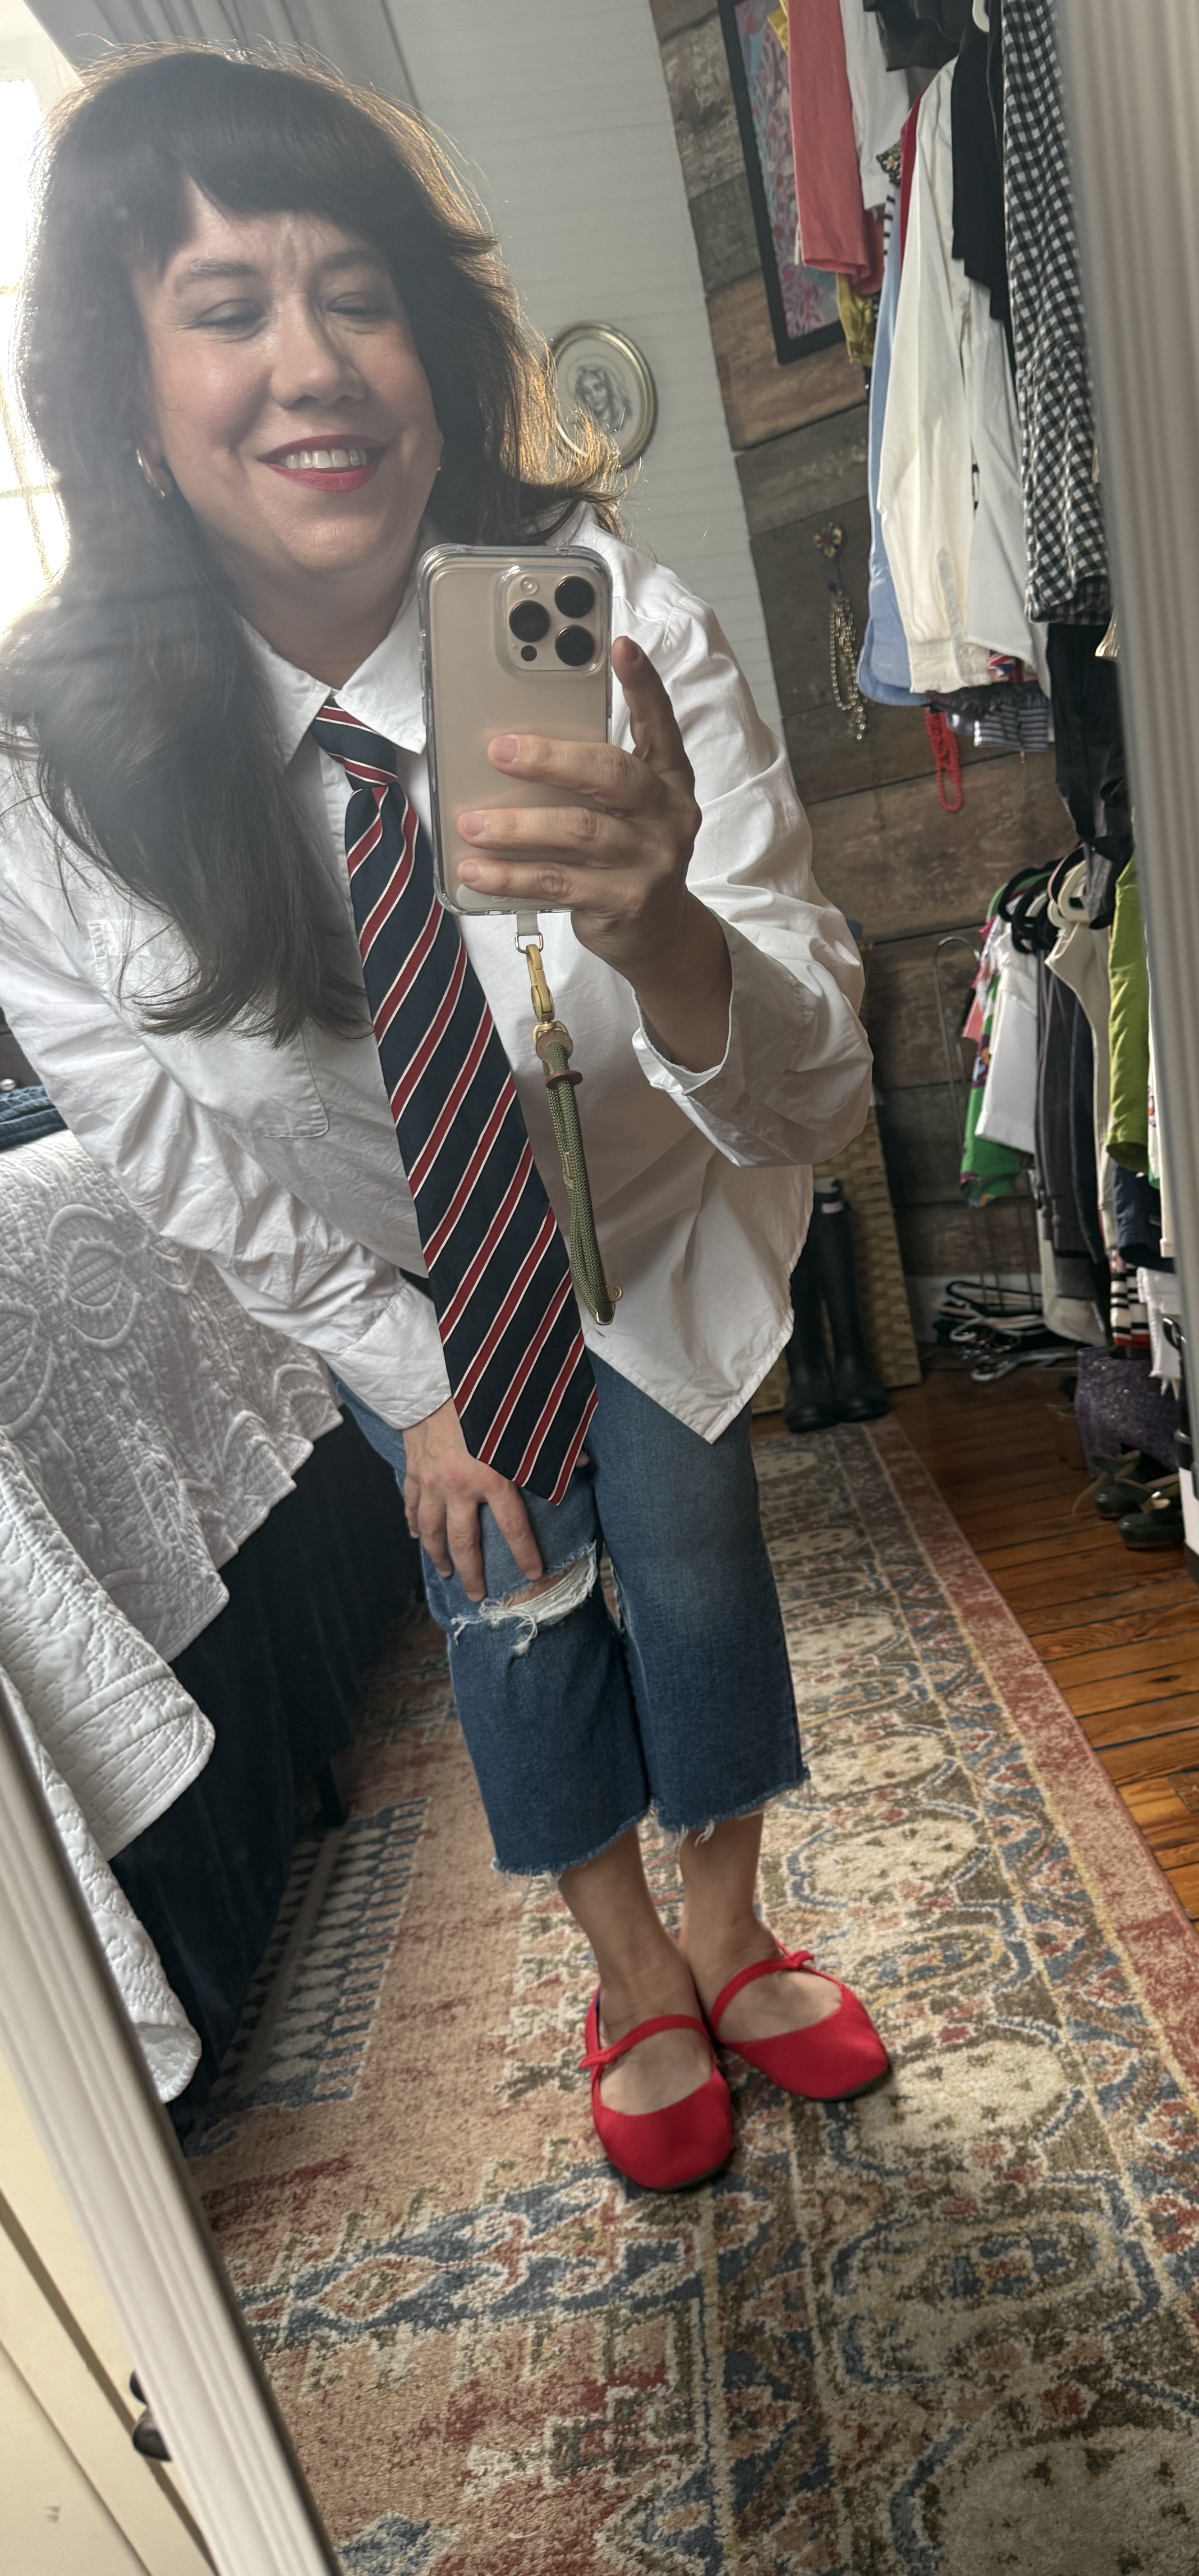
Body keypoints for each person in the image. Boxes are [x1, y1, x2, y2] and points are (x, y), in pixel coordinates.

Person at [0, 45, 888, 2192]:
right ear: (125, 391)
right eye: (228, 309)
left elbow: (823, 1087)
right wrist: (409, 1380)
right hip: (409, 1280)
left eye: (358, 295)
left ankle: (728, 1923)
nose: (314, 365)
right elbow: (155, 1135)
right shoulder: (55, 770)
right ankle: (628, 1974)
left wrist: (668, 925)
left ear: (432, 343)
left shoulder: (616, 627)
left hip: (661, 1213)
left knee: (693, 1550)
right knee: (509, 1588)